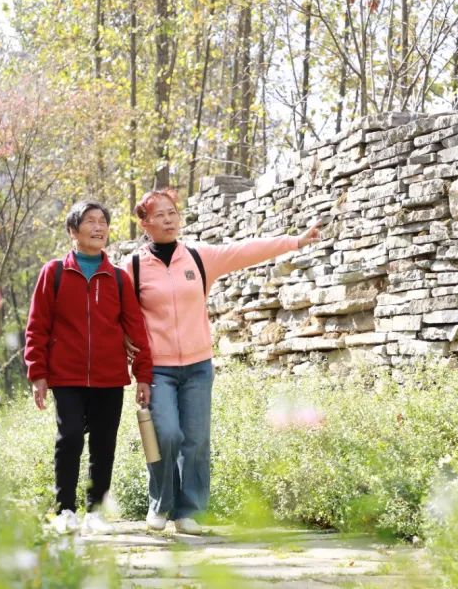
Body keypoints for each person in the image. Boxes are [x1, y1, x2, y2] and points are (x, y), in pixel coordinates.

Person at [124, 188, 320, 535]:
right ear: (145, 223)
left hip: (198, 366)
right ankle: (160, 503)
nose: (169, 220)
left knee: (197, 440)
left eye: (173, 213)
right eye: (160, 215)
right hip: (158, 369)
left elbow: (245, 250)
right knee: (166, 434)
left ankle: (191, 512)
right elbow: (118, 316)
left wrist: (295, 241)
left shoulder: (199, 257)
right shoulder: (134, 267)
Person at [24, 200, 153, 535]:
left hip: (109, 375)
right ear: (73, 231)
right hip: (65, 374)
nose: (98, 228)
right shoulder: (53, 273)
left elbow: (135, 328)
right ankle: (64, 510)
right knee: (68, 439)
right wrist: (37, 373)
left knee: (103, 443)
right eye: (90, 221)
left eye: (103, 222)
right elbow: (38, 325)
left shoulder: (119, 278)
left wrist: (143, 374)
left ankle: (95, 512)